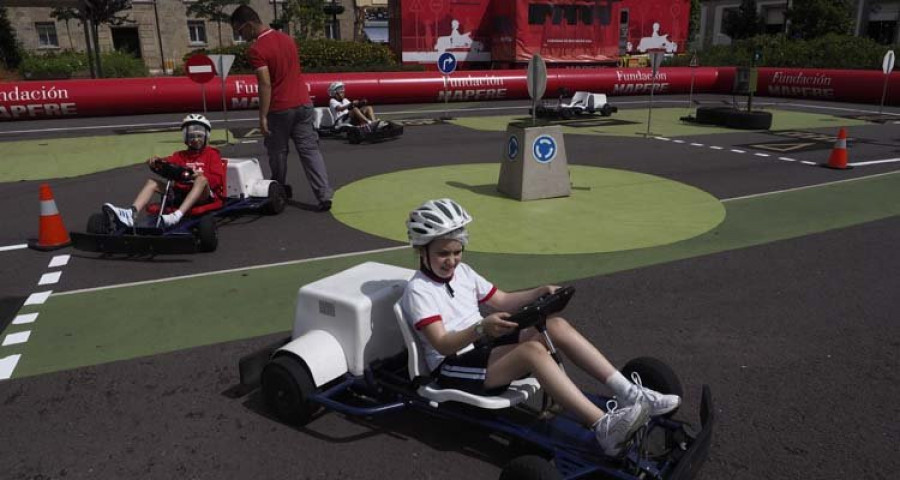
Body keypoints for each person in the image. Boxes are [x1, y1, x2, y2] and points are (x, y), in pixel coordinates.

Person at [399, 198, 681, 457]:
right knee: (532, 351)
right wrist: (481, 329)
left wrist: (540, 291)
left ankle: (629, 394)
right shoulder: (419, 291)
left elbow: (502, 299)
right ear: (421, 251)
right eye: (442, 254)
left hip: (482, 346)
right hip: (452, 365)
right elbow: (441, 344)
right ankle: (604, 427)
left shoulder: (464, 272)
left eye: (457, 251)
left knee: (554, 325)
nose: (451, 260)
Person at [230, 5, 333, 212]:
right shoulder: (287, 39)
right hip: (303, 103)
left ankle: (278, 190)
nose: (240, 35)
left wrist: (262, 116)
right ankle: (324, 195)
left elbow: (265, 84)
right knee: (310, 151)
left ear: (249, 25)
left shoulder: (256, 49)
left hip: (280, 108)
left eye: (240, 31)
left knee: (277, 152)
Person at [103, 114, 226, 228]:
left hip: (203, 196)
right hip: (180, 194)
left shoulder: (212, 154)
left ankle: (176, 216)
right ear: (185, 137)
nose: (195, 139)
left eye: (199, 136)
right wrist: (156, 161)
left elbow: (217, 179)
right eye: (192, 136)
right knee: (152, 182)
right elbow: (167, 163)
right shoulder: (180, 155)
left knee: (201, 179)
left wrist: (198, 176)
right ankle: (131, 214)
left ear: (206, 137)